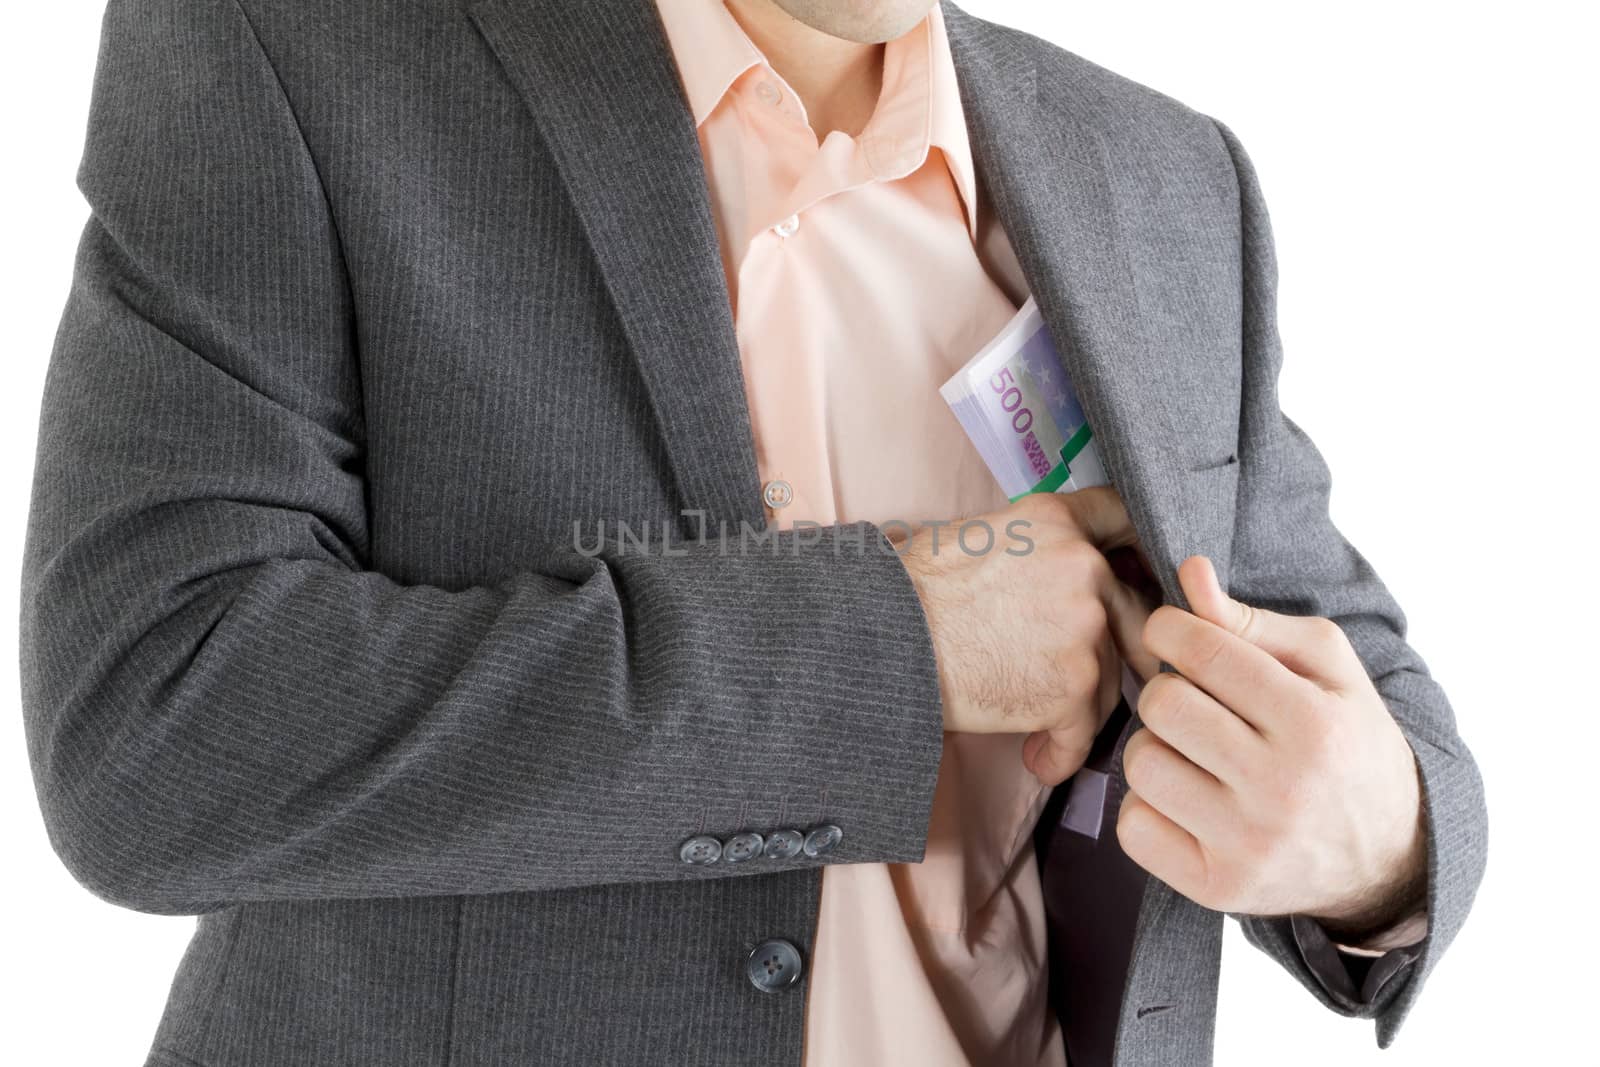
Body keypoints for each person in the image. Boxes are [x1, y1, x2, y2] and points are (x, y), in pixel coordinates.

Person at [18, 0, 1485, 1064]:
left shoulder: (1160, 180)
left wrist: (1379, 843)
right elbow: (156, 728)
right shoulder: (286, 50)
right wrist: (895, 643)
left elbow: (1348, 671)